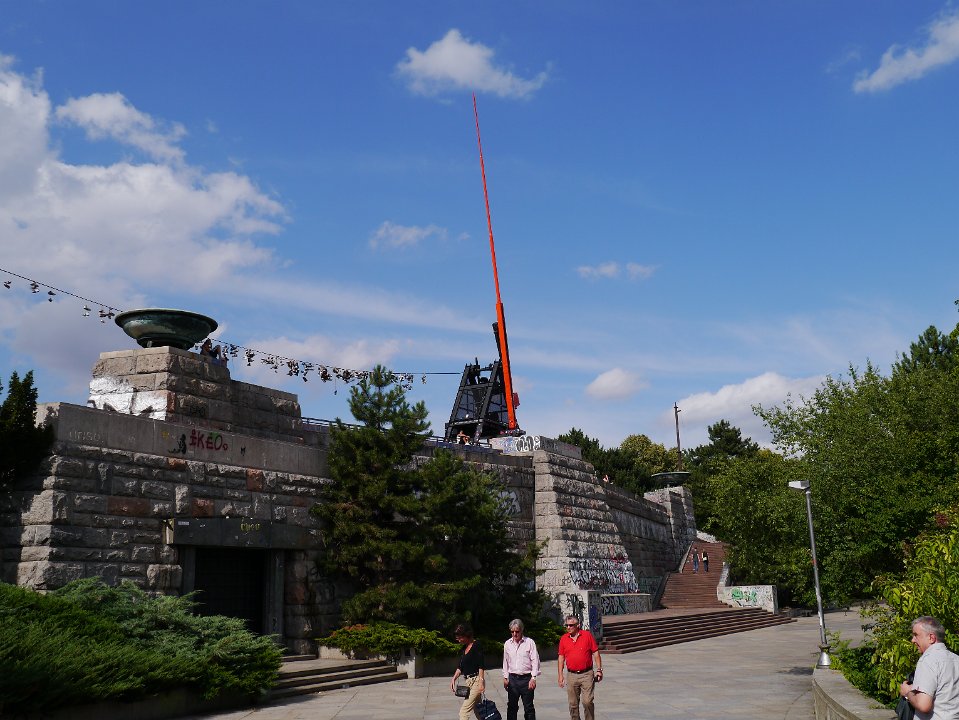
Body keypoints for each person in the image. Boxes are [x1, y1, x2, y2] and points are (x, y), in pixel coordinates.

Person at [900, 616, 959, 719]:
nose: (912, 640)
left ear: (931, 638)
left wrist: (907, 692)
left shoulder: (927, 660)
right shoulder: (956, 659)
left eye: (916, 635)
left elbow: (923, 705)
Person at [557, 615, 602, 720]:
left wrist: (599, 670)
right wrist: (560, 675)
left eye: (571, 625)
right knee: (573, 704)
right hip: (571, 675)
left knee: (587, 702)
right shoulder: (564, 639)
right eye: (566, 625)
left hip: (587, 674)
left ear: (578, 625)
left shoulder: (587, 635)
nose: (568, 627)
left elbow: (595, 653)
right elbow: (561, 658)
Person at [503, 618, 540, 720]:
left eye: (517, 631)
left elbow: (535, 660)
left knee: (528, 708)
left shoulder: (529, 642)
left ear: (522, 630)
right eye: (512, 632)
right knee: (512, 707)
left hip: (526, 679)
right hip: (513, 679)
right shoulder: (507, 644)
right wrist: (505, 677)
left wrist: (533, 678)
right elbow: (505, 662)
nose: (514, 634)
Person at [451, 623, 485, 720]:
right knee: (479, 711)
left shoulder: (477, 645)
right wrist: (454, 678)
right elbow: (460, 667)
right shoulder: (464, 648)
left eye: (460, 638)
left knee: (463, 712)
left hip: (476, 681)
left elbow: (481, 665)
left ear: (466, 635)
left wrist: (481, 682)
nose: (458, 640)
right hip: (468, 682)